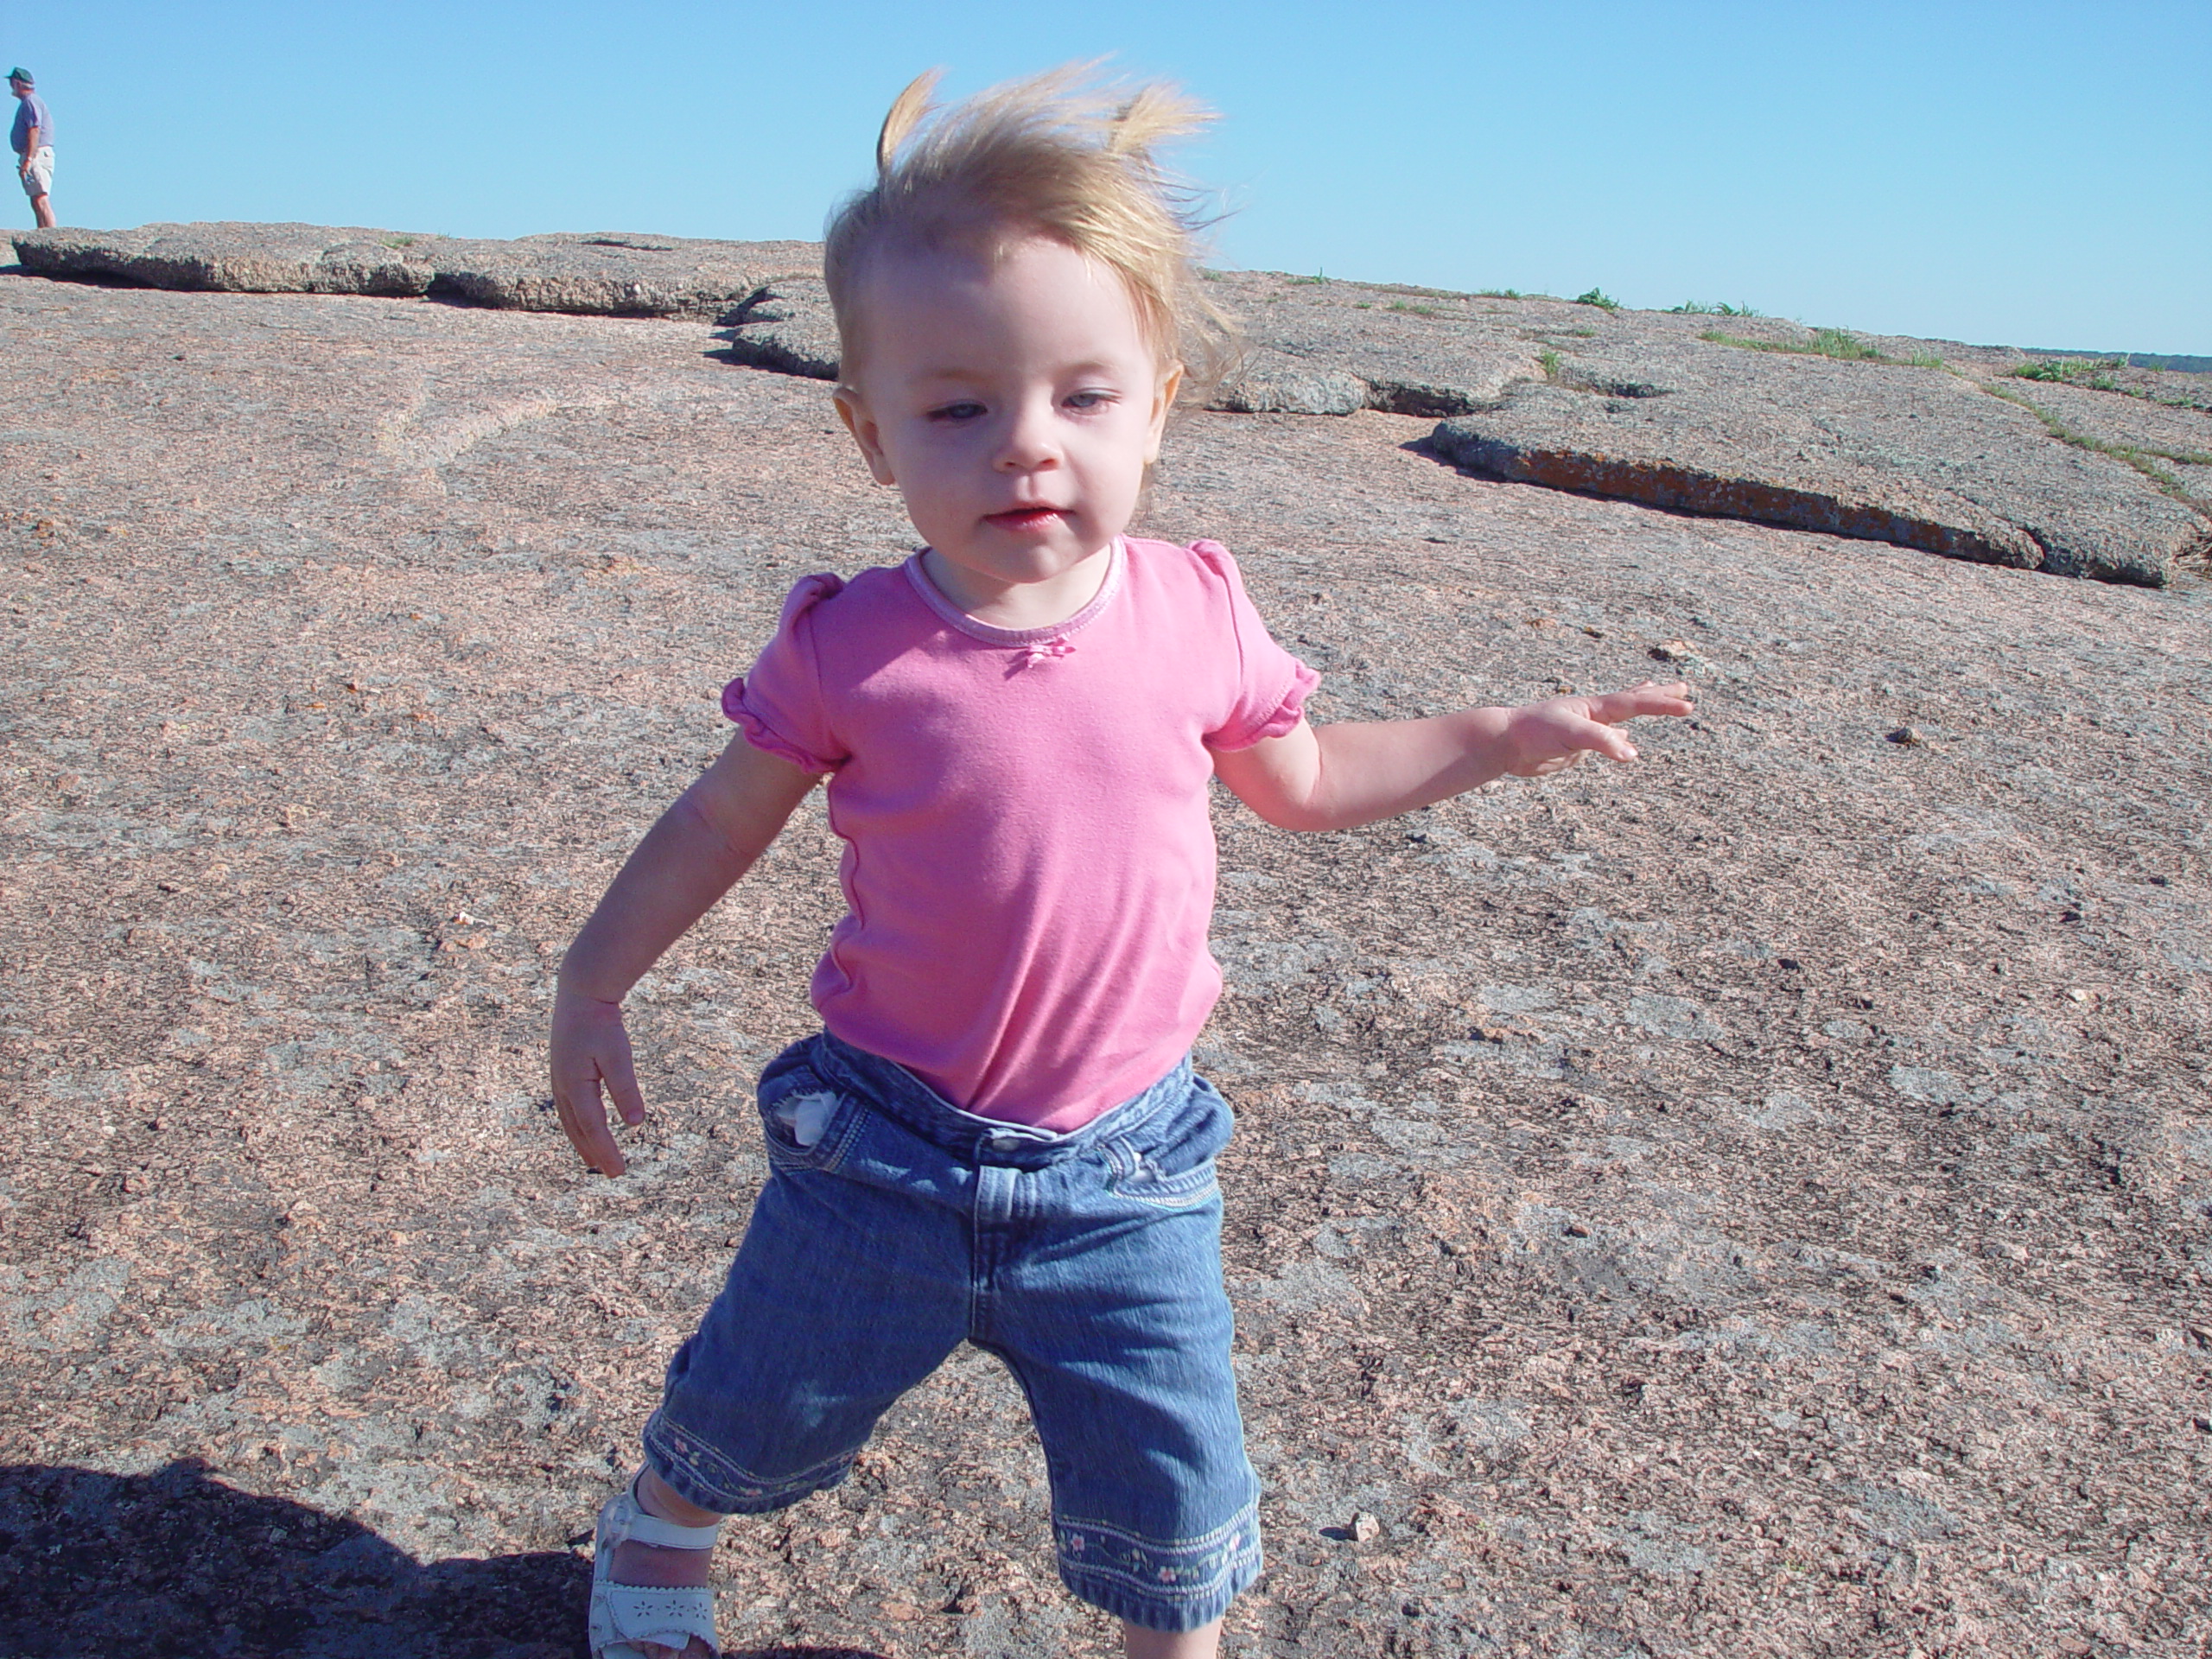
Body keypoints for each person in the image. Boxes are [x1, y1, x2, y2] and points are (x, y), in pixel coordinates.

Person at [550, 64, 1694, 1659]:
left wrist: (1497, 731)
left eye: (1081, 396)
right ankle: (664, 1523)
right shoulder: (851, 648)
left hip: (1127, 1174)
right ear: (869, 434)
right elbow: (716, 820)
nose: (1027, 447)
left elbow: (1300, 781)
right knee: (761, 1403)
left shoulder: (1195, 610)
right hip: (884, 1150)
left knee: (1175, 1501)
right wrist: (595, 974)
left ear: (1156, 408)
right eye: (958, 406)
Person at [9, 67, 53, 229]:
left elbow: (34, 129)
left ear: (17, 83)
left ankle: (50, 237)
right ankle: (42, 233)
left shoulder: (31, 101)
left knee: (40, 196)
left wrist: (29, 158)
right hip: (32, 153)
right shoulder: (29, 102)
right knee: (35, 197)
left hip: (36, 153)